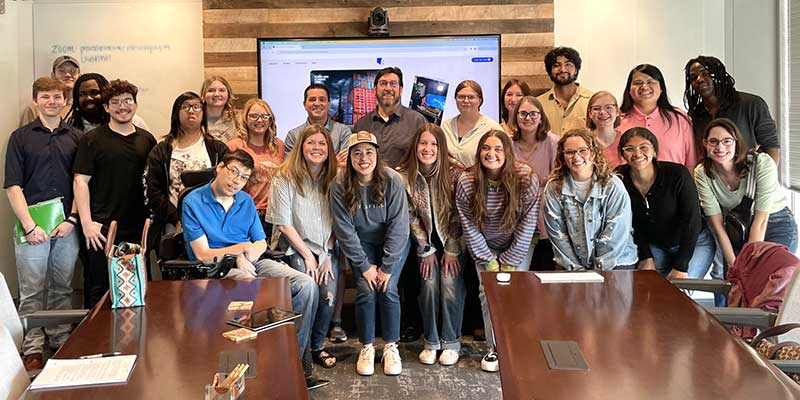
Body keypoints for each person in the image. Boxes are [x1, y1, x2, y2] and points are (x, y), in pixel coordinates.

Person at [180, 149, 322, 388]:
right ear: (220, 168)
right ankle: (253, 366)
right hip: (217, 269)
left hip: (253, 262)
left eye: (244, 177)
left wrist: (247, 253)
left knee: (306, 285)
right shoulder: (194, 201)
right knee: (247, 282)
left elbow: (260, 242)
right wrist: (238, 253)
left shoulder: (245, 200)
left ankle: (291, 358)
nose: (236, 180)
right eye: (233, 171)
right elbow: (203, 254)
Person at [4, 77, 82, 371]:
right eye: (45, 97)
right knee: (32, 290)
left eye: (57, 97)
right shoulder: (20, 138)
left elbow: (81, 183)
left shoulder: (76, 138)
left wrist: (73, 219)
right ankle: (33, 347)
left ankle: (60, 340)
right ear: (35, 100)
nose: (52, 101)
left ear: (65, 101)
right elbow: (13, 186)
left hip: (66, 227)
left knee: (62, 287)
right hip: (31, 228)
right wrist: (28, 226)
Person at [455, 130, 539, 373]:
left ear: (507, 153)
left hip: (518, 243)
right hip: (485, 245)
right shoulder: (467, 181)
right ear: (479, 152)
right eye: (486, 148)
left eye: (498, 149)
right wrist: (490, 262)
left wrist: (510, 261)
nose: (491, 154)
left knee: (514, 289)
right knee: (488, 290)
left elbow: (528, 221)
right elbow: (468, 225)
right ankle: (495, 348)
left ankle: (516, 345)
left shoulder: (525, 177)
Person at [330, 132, 410, 376]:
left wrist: (386, 268)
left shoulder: (392, 180)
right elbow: (344, 230)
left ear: (377, 154)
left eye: (368, 152)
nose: (363, 158)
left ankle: (390, 345)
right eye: (357, 153)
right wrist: (365, 266)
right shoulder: (339, 184)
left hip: (392, 243)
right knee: (366, 289)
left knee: (388, 288)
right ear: (349, 157)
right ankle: (366, 346)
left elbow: (399, 226)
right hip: (361, 243)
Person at [73, 79, 157, 308]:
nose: (123, 106)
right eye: (116, 102)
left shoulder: (146, 139)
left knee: (138, 286)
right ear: (107, 107)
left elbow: (154, 182)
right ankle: (96, 342)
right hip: (100, 229)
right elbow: (80, 182)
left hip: (137, 227)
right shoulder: (92, 140)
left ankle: (135, 342)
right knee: (99, 287)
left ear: (135, 105)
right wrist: (87, 223)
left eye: (128, 101)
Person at [266, 124, 339, 369]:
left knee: (329, 294)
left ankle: (318, 345)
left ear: (328, 149)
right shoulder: (284, 175)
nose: (316, 148)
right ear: (300, 146)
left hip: (325, 248)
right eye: (311, 143)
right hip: (293, 248)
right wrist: (308, 255)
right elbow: (284, 223)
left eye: (321, 143)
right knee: (311, 291)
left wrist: (326, 254)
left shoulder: (334, 178)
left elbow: (340, 220)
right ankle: (301, 350)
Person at [397, 123, 466, 367]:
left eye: (433, 144)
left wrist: (451, 249)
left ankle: (450, 341)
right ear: (416, 146)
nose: (427, 149)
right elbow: (410, 214)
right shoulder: (404, 175)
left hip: (453, 242)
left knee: (448, 284)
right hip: (424, 242)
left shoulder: (456, 173)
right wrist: (425, 248)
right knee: (428, 285)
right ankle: (431, 340)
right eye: (423, 143)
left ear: (441, 147)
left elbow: (459, 214)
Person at [694, 118, 797, 268]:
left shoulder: (762, 163)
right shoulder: (702, 173)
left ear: (737, 142)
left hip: (775, 223)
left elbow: (761, 222)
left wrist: (748, 265)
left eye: (727, 141)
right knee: (732, 277)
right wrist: (733, 265)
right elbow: (717, 225)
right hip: (739, 225)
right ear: (705, 144)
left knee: (764, 277)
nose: (720, 147)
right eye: (714, 141)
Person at [615, 127, 716, 279]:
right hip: (656, 246)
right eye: (630, 149)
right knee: (654, 291)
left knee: (681, 292)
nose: (637, 153)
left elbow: (692, 220)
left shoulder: (677, 174)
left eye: (644, 147)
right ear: (623, 154)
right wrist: (645, 256)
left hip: (694, 243)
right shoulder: (619, 178)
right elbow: (629, 223)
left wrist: (681, 267)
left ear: (654, 151)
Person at [144, 92, 228, 256]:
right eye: (186, 107)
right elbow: (152, 191)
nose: (191, 111)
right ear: (176, 113)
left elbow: (229, 184)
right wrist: (177, 218)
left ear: (203, 113)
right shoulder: (162, 151)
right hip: (173, 223)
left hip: (213, 223)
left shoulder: (217, 149)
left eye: (196, 107)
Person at [543, 129, 637, 270]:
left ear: (593, 153)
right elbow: (558, 234)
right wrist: (577, 270)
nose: (576, 157)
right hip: (571, 263)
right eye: (570, 152)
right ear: (562, 157)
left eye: (582, 150)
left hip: (615, 261)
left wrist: (597, 271)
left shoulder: (613, 185)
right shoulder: (553, 188)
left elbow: (616, 232)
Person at [684, 55, 780, 165]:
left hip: (749, 177)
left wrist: (767, 179)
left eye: (705, 73)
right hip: (711, 180)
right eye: (693, 77)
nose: (699, 79)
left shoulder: (751, 104)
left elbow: (771, 147)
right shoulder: (695, 114)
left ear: (719, 75)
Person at [508, 96, 559, 271]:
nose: (527, 118)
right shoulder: (507, 143)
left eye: (533, 113)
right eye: (522, 113)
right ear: (515, 116)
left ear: (541, 116)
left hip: (546, 215)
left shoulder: (553, 142)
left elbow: (557, 180)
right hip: (515, 215)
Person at [618, 64, 697, 172]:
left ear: (661, 88)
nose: (644, 87)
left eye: (650, 82)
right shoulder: (617, 120)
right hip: (626, 187)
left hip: (673, 187)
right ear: (629, 90)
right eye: (638, 83)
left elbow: (691, 164)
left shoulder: (680, 119)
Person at [226, 98, 284, 237]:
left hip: (274, 214)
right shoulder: (234, 146)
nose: (259, 120)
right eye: (254, 116)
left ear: (270, 120)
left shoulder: (279, 146)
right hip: (245, 212)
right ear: (245, 119)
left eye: (264, 116)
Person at [353, 66, 426, 168]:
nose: (388, 88)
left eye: (393, 84)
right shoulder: (361, 125)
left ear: (400, 90)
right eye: (383, 83)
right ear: (374, 90)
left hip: (404, 183)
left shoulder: (418, 121)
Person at [442, 80, 504, 168]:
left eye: (471, 97)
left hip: (479, 181)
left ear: (480, 100)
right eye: (461, 97)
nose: (466, 101)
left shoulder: (492, 128)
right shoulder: (446, 126)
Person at [284, 83, 352, 164]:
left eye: (322, 99)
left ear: (329, 104)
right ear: (304, 105)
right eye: (312, 99)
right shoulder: (293, 136)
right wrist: (334, 164)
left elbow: (344, 166)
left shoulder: (343, 132)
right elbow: (291, 169)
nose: (317, 103)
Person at [66, 73, 150, 133]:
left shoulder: (131, 121)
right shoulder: (71, 125)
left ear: (106, 94)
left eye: (95, 92)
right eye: (82, 94)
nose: (89, 98)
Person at [536, 47, 593, 135]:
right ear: (549, 71)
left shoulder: (591, 100)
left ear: (576, 70)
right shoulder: (538, 104)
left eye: (568, 64)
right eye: (556, 65)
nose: (562, 69)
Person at [19, 56, 79, 127]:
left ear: (79, 75)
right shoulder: (35, 109)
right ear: (53, 75)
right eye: (62, 71)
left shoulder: (83, 107)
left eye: (73, 71)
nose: (68, 75)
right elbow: (25, 135)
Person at [587, 91, 624, 169]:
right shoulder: (584, 141)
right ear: (590, 113)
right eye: (596, 108)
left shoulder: (626, 140)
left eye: (608, 107)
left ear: (617, 111)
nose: (602, 112)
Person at [201, 76, 241, 143]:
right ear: (204, 94)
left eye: (222, 90)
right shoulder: (197, 119)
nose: (216, 94)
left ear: (228, 94)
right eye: (211, 90)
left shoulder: (238, 119)